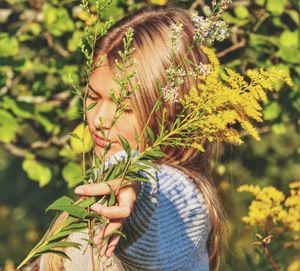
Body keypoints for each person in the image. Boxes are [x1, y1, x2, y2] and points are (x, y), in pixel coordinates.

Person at [38, 5, 225, 271]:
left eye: (124, 107)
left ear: (171, 111)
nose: (99, 119)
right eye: (93, 97)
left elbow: (158, 199)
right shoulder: (101, 187)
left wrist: (133, 182)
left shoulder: (187, 203)